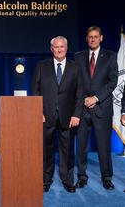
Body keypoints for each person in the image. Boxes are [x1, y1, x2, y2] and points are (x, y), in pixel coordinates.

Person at [31, 36, 83, 193]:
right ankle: (45, 180)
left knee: (67, 150)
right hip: (46, 116)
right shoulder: (42, 66)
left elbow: (80, 93)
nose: (59, 49)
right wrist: (37, 112)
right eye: (56, 47)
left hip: (68, 117)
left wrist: (77, 114)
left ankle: (67, 180)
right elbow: (35, 91)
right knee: (46, 150)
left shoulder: (76, 67)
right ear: (51, 49)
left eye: (62, 47)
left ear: (66, 48)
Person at [74, 26, 118, 190]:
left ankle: (107, 178)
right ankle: (81, 177)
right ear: (87, 39)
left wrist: (96, 98)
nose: (92, 39)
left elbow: (112, 82)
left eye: (95, 36)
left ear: (101, 38)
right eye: (90, 37)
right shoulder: (78, 57)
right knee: (81, 146)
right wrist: (85, 99)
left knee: (104, 146)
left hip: (102, 108)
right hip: (83, 108)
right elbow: (75, 82)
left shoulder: (111, 56)